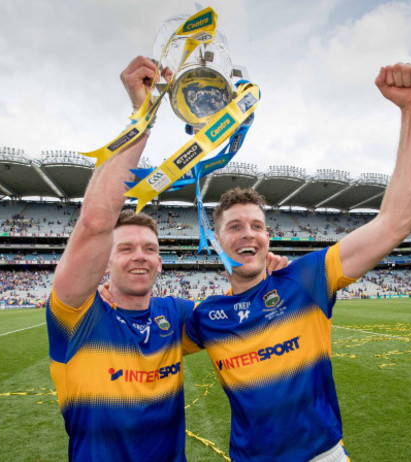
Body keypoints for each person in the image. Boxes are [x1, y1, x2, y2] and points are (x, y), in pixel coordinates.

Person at [183, 62, 411, 461]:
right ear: (217, 241)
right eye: (234, 227)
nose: (247, 233)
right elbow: (134, 335)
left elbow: (396, 222)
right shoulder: (205, 318)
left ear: (267, 238)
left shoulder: (307, 279)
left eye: (257, 226)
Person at [46, 56, 287, 462]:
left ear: (161, 263)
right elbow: (93, 222)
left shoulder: (175, 316)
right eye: (125, 248)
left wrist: (259, 269)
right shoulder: (75, 316)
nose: (139, 257)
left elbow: (239, 317)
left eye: (150, 249)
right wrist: (143, 114)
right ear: (105, 261)